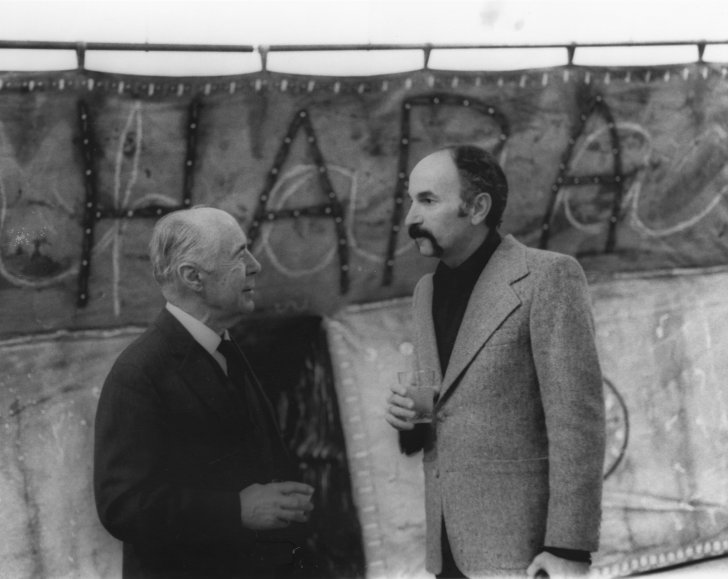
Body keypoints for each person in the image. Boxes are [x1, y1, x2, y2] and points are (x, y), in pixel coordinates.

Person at [385, 145, 605, 578]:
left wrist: (569, 549)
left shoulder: (548, 276)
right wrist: (410, 420)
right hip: (446, 552)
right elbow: (438, 412)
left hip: (524, 555)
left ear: (478, 208)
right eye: (411, 201)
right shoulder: (425, 292)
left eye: (427, 200)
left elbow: (578, 425)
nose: (410, 218)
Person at [94, 206, 317, 579]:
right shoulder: (138, 373)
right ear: (192, 276)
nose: (255, 265)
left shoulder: (223, 346)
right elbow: (122, 505)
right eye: (239, 254)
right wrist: (236, 510)